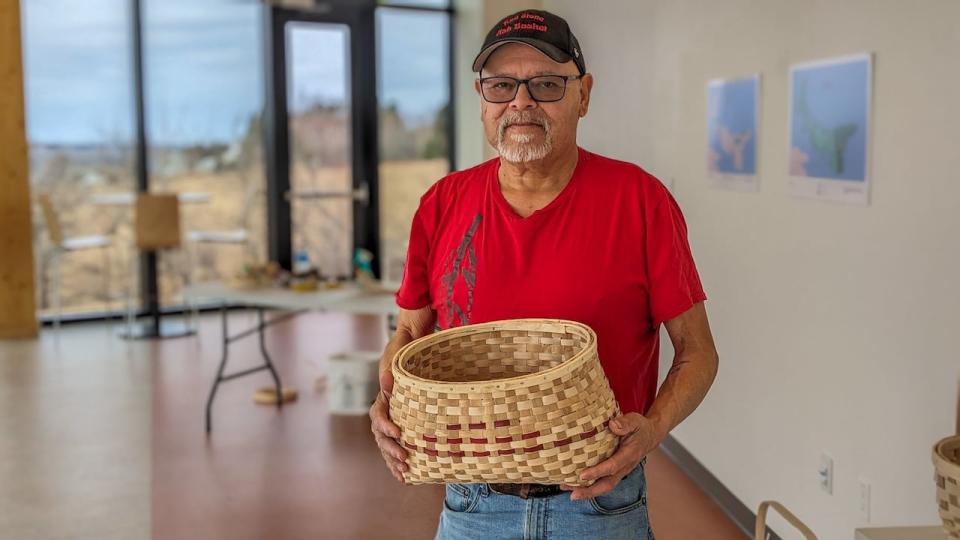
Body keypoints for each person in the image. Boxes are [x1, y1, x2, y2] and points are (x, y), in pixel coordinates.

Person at [369, 9, 719, 539]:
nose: (521, 103)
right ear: (482, 98)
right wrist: (386, 401)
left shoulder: (640, 201)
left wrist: (651, 432)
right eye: (502, 85)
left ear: (584, 95)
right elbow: (410, 334)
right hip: (471, 506)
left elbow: (698, 352)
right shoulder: (442, 203)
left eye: (547, 84)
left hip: (599, 503)